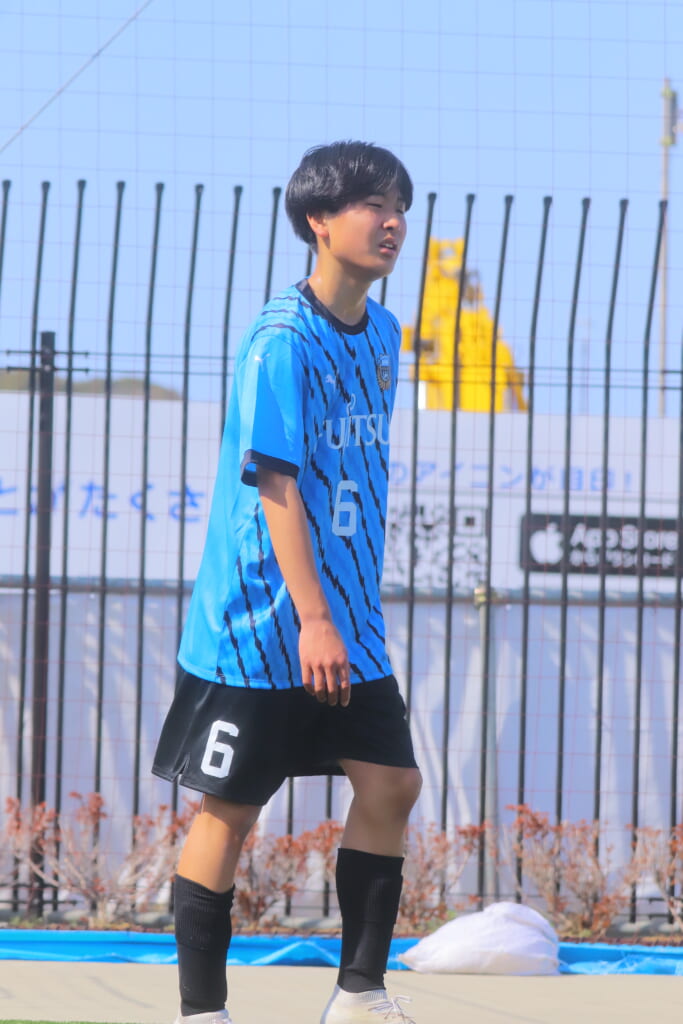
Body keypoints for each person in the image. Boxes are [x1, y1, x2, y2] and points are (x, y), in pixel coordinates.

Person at [152, 139, 422, 1024]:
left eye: (400, 206)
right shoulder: (279, 341)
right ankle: (202, 1012)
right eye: (372, 204)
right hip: (261, 625)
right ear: (318, 221)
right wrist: (312, 619)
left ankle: (359, 994)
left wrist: (340, 615)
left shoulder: (383, 335)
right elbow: (277, 487)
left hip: (348, 620)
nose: (392, 221)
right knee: (228, 812)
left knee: (391, 785)